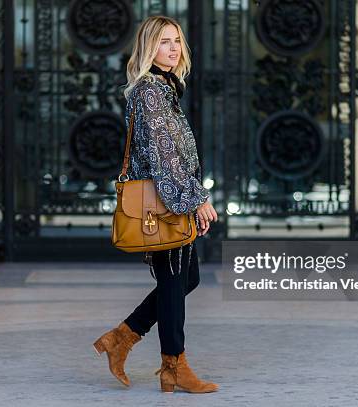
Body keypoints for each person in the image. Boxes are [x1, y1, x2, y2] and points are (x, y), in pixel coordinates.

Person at [92, 15, 219, 393]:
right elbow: (165, 157)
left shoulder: (165, 88)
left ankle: (122, 338)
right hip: (165, 203)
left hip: (168, 198)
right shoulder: (150, 91)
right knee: (177, 279)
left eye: (177, 41)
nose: (174, 48)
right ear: (149, 47)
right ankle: (173, 366)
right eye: (165, 41)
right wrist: (196, 201)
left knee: (182, 279)